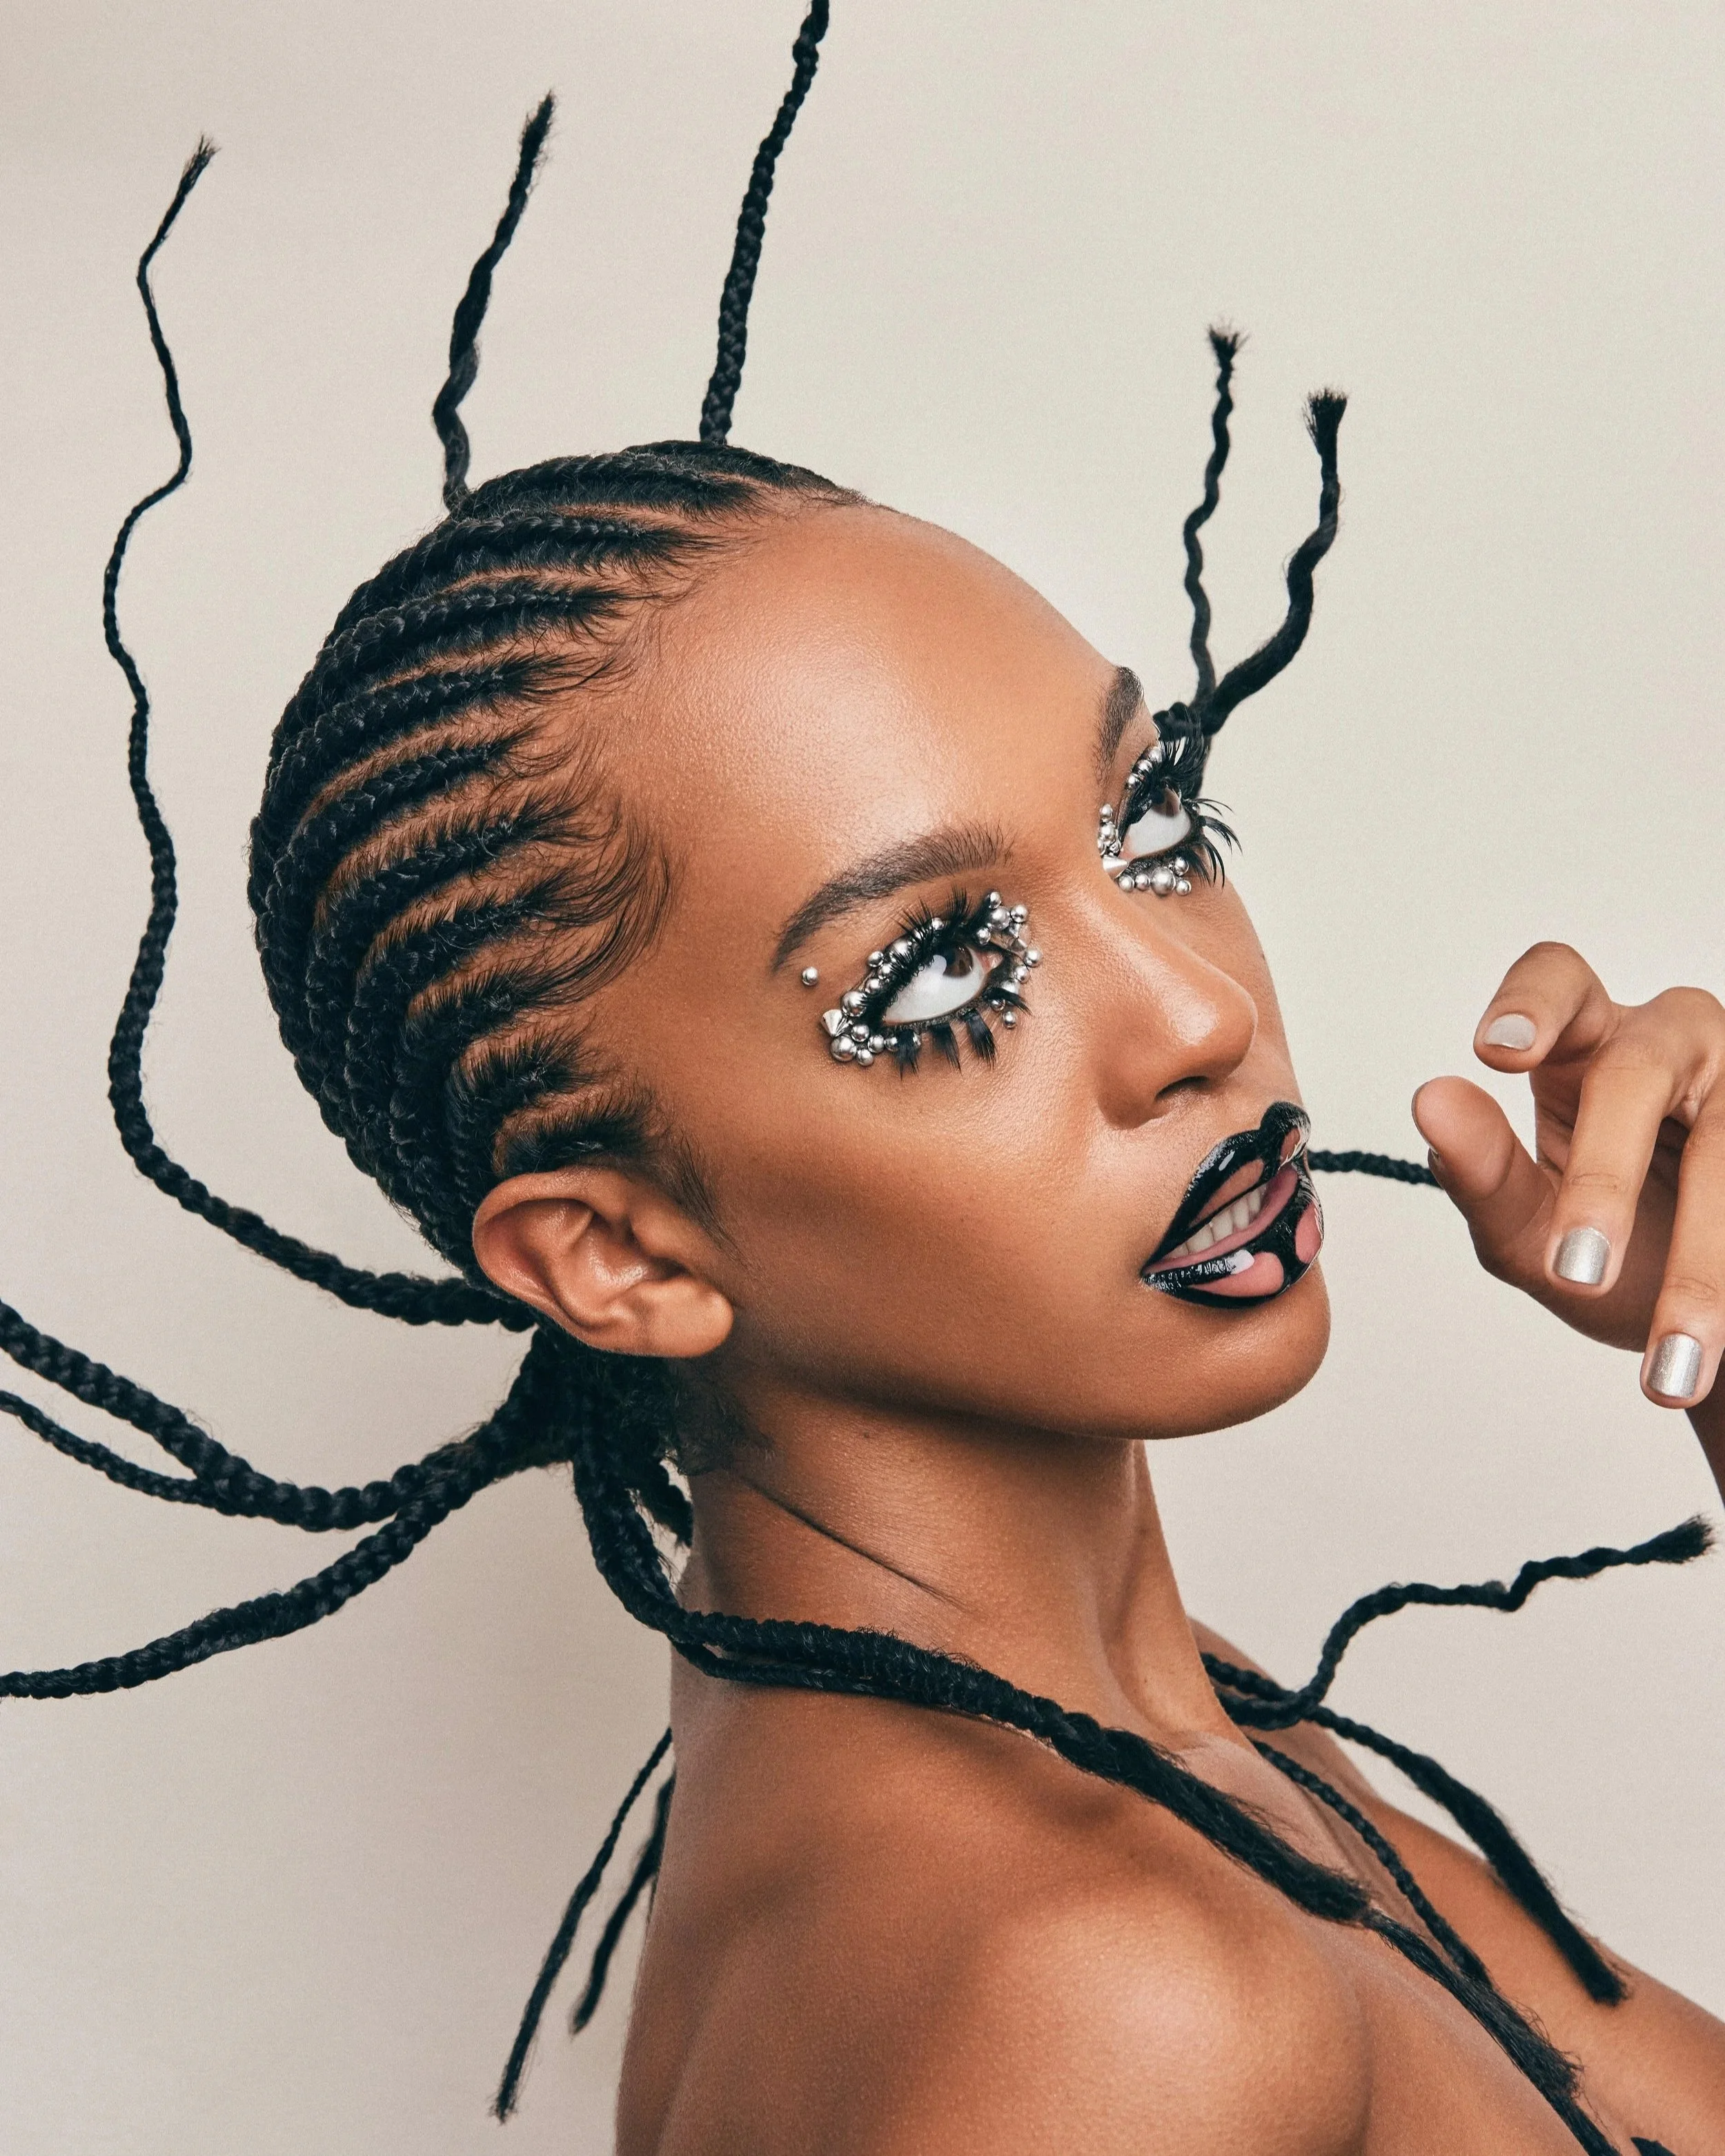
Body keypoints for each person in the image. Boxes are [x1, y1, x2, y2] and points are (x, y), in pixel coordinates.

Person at [6, 7, 1722, 2150]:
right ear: (615, 1254)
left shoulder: (1158, 1789)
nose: (1195, 1013)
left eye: (1151, 824)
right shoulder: (1108, 1986)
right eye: (936, 976)